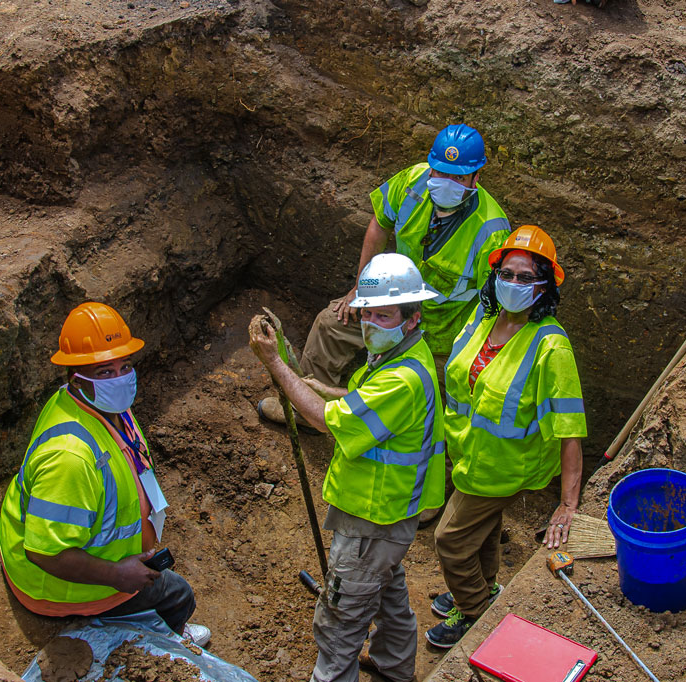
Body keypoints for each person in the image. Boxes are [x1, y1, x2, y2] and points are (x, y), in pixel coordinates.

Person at [248, 253, 446, 682]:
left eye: (384, 314)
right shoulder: (407, 353)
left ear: (411, 317)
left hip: (371, 520)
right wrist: (329, 389)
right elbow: (369, 407)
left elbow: (322, 421)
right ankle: (393, 666)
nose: (371, 322)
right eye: (367, 312)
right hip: (391, 516)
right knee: (389, 597)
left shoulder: (402, 379)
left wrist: (276, 364)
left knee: (339, 624)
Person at [257, 123, 512, 428]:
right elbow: (380, 223)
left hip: (441, 336)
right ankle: (310, 412)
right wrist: (360, 288)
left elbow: (495, 304)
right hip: (389, 304)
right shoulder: (413, 182)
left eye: (457, 177)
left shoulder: (491, 230)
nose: (446, 182)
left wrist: (470, 351)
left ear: (475, 178)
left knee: (434, 394)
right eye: (440, 172)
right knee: (331, 324)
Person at [0, 302, 210, 646]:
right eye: (105, 372)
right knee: (177, 596)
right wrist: (116, 574)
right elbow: (45, 552)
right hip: (52, 582)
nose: (121, 379)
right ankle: (169, 642)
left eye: (125, 366)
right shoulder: (70, 458)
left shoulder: (98, 405)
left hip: (91, 546)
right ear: (75, 378)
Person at [426, 225, 586, 649]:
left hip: (505, 466)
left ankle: (476, 610)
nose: (513, 284)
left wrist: (568, 504)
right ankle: (486, 587)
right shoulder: (484, 319)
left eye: (525, 278)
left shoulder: (551, 347)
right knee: (482, 529)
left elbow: (570, 430)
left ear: (544, 287)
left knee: (451, 540)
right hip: (468, 454)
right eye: (507, 274)